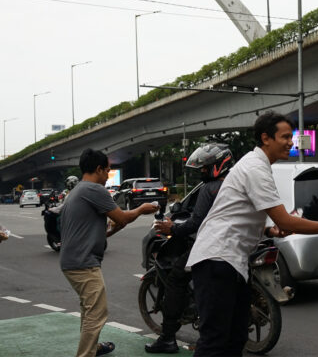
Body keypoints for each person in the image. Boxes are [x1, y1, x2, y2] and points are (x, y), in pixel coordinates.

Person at [185, 111, 318, 357]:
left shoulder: (258, 165)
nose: (291, 142)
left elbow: (238, 215)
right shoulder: (255, 167)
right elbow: (285, 219)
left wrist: (269, 229)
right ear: (266, 138)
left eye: (292, 136)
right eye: (285, 137)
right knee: (215, 340)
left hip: (230, 262)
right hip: (217, 260)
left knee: (235, 337)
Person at [60, 148, 159, 357]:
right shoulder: (94, 190)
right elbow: (122, 217)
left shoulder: (78, 190)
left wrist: (116, 226)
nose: (107, 176)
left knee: (89, 309)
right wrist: (141, 210)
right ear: (98, 169)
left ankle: (94, 347)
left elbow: (105, 229)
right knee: (96, 312)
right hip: (83, 263)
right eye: (107, 171)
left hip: (73, 260)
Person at [144, 143, 235, 354]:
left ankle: (167, 338)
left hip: (211, 247)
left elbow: (195, 224)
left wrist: (172, 228)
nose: (203, 171)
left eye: (206, 167)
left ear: (218, 164)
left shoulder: (209, 189)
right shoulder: (236, 183)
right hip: (237, 247)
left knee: (176, 277)